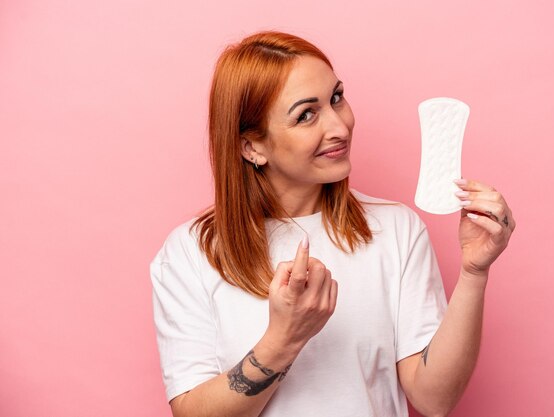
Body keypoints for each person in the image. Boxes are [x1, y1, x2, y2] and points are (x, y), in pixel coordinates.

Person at [150, 31, 515, 417]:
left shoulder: (396, 229)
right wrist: (284, 338)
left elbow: (434, 399)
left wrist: (475, 272)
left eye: (336, 98)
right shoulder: (190, 252)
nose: (340, 127)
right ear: (252, 147)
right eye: (306, 114)